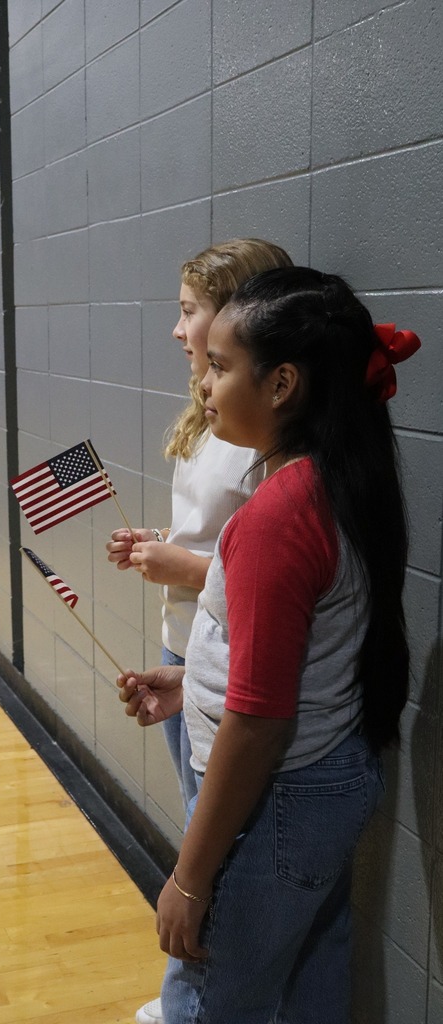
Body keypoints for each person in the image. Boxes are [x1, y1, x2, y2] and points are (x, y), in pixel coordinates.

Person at [117, 267, 419, 1024]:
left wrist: (189, 879)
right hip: (324, 780)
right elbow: (301, 654)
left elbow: (260, 722)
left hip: (281, 798)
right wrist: (190, 687)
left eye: (220, 367)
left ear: (281, 383)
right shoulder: (327, 478)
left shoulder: (276, 517)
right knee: (315, 971)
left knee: (221, 1001)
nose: (205, 384)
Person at [106, 239, 292, 1024]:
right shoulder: (211, 414)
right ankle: (191, 1001)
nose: (178, 332)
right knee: (196, 828)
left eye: (189, 312)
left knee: (204, 857)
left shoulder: (273, 438)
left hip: (228, 665)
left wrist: (179, 565)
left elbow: (266, 568)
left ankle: (189, 1007)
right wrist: (166, 545)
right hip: (186, 653)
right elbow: (217, 538)